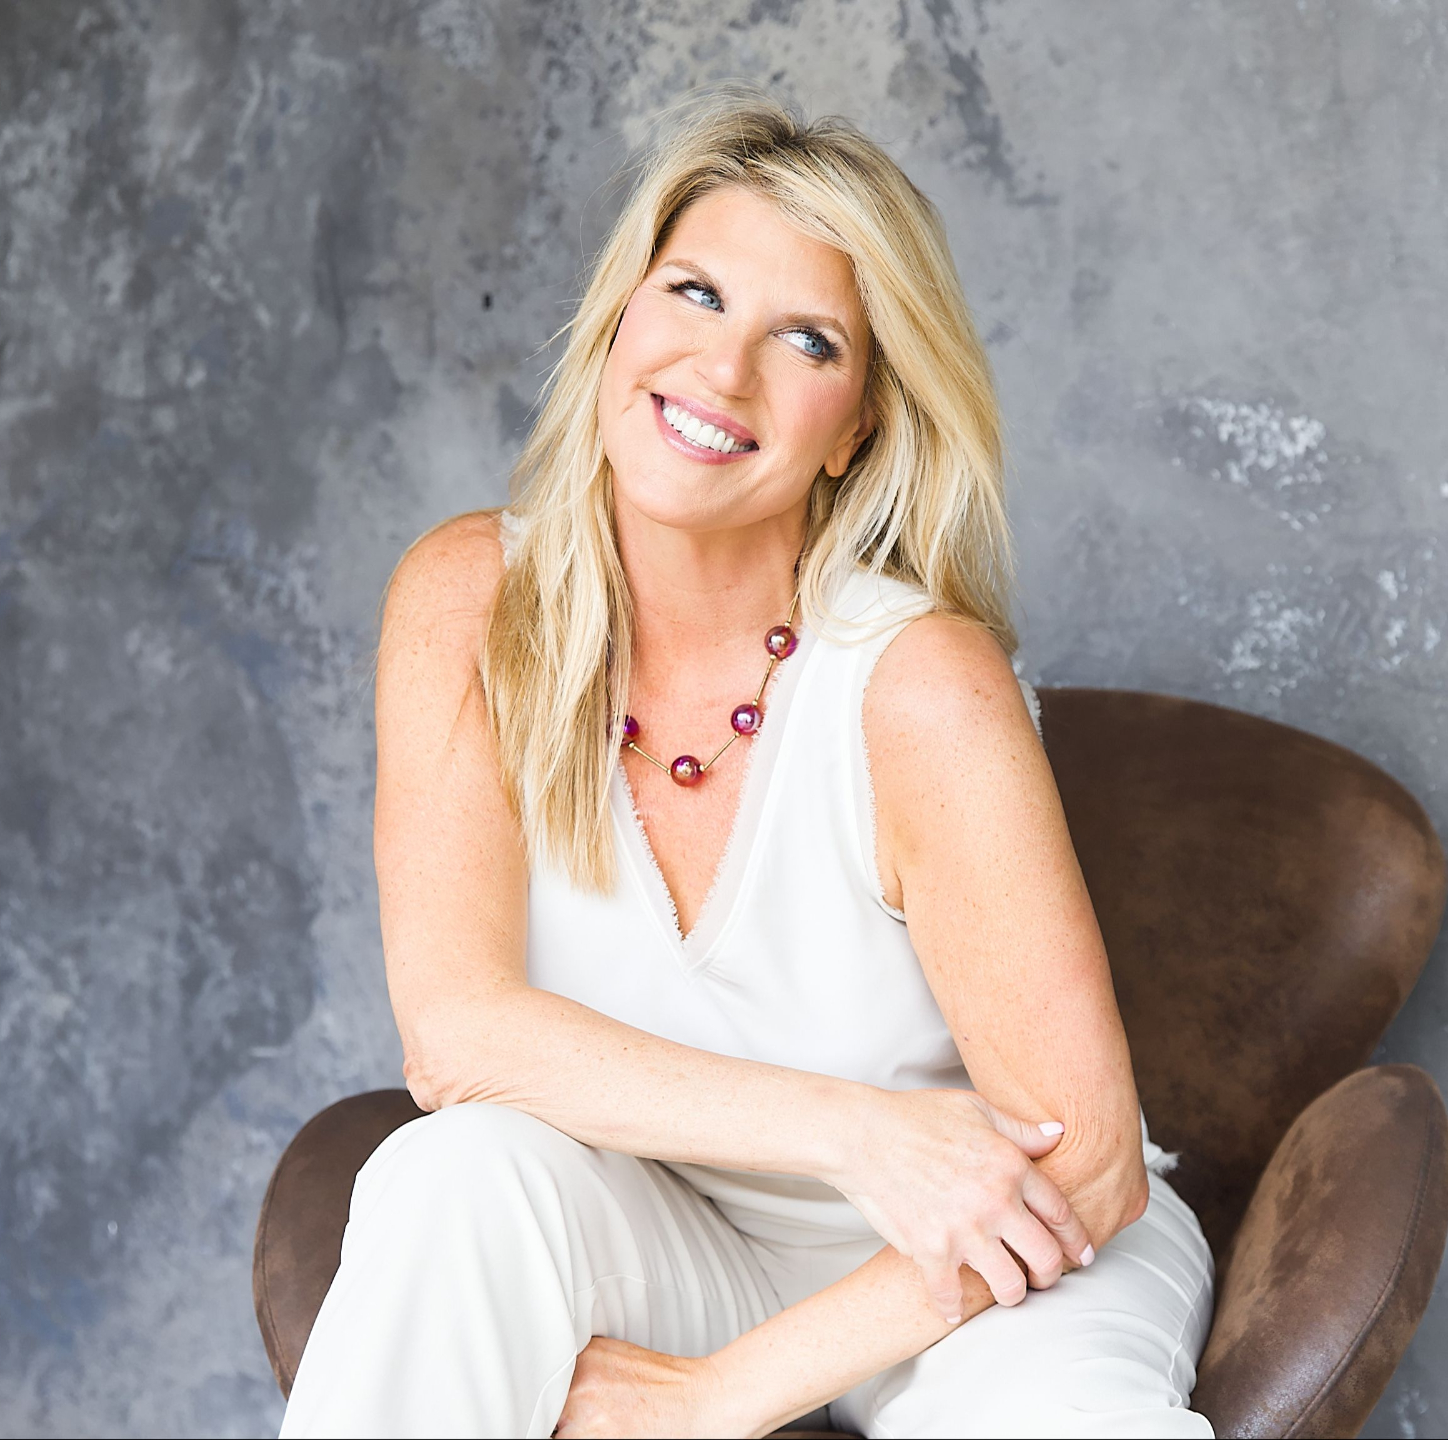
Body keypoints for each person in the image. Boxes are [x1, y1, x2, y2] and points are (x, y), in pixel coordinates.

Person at [280, 89, 1213, 1439]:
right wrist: (854, 1131)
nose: (722, 372)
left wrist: (718, 1399)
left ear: (856, 428)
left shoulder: (918, 686)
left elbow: (1091, 1168)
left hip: (992, 1263)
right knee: (451, 1176)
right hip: (672, 1233)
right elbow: (459, 1039)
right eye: (697, 293)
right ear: (621, 316)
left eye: (805, 339)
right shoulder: (472, 599)